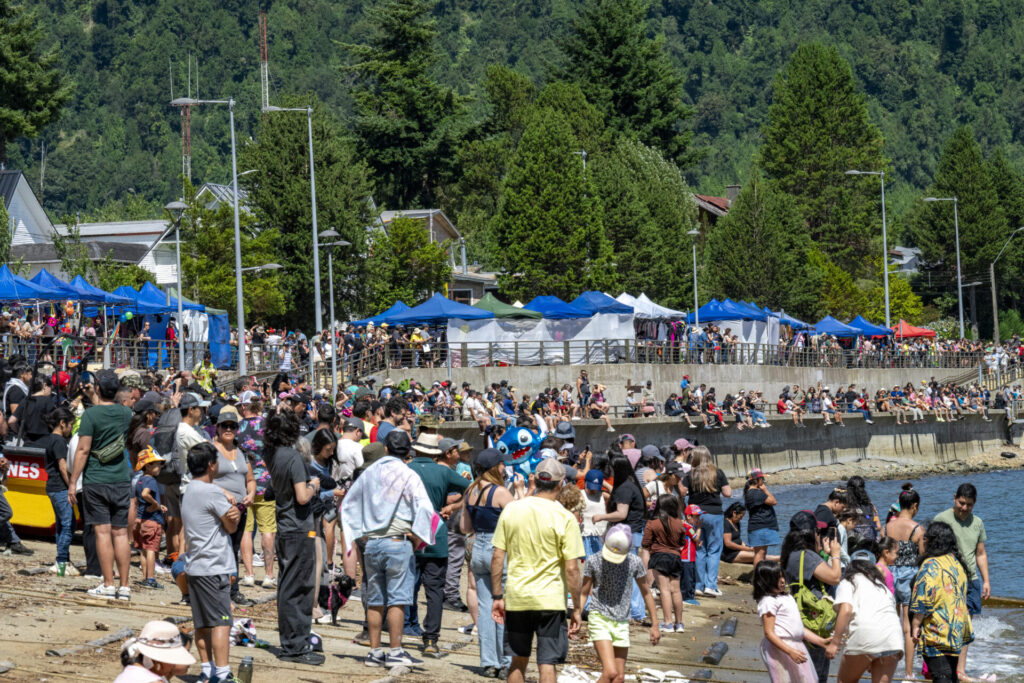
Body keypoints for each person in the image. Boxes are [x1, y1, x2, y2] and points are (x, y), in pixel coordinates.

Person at [341, 425, 439, 669]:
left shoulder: (371, 472)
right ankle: (395, 650)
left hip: (372, 542)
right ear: (408, 451)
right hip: (398, 541)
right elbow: (426, 510)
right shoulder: (408, 474)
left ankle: (374, 652)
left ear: (386, 448)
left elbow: (349, 502)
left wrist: (358, 533)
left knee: (375, 599)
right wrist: (419, 537)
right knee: (397, 599)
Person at [491, 458, 584, 683]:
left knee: (518, 660)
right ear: (560, 484)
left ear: (536, 479)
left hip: (517, 596)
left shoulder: (513, 509)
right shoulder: (565, 517)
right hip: (550, 600)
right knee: (547, 664)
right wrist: (578, 607)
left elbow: (497, 557)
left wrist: (497, 595)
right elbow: (572, 569)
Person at [265, 410, 325, 666]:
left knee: (289, 584)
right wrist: (314, 485)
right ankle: (295, 646)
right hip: (298, 527)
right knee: (298, 587)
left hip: (286, 526)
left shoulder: (272, 454)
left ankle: (295, 641)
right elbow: (302, 496)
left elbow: (271, 490)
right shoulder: (293, 457)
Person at [68, 369, 134, 600]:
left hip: (97, 478)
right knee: (121, 533)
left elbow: (83, 450)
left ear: (97, 389)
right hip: (121, 479)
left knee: (102, 533)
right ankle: (124, 586)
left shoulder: (90, 415)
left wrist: (73, 481)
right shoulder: (127, 413)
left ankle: (107, 584)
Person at [406, 432, 470, 657]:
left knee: (407, 585)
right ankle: (431, 639)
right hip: (435, 533)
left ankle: (404, 626)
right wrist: (454, 506)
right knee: (434, 591)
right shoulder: (444, 471)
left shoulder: (406, 469)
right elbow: (472, 488)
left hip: (408, 531)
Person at [181, 442, 241, 683]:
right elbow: (230, 525)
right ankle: (223, 674)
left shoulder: (190, 489)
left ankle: (207, 671)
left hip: (195, 565)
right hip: (213, 566)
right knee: (222, 622)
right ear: (211, 465)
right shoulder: (211, 492)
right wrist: (234, 517)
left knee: (203, 623)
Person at [581, 524, 660, 683]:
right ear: (604, 542)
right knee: (610, 672)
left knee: (619, 677)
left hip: (622, 620)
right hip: (599, 616)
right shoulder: (594, 560)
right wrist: (577, 613)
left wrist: (655, 624)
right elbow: (584, 591)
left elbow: (646, 592)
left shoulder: (634, 562)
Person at [461, 448, 514, 678]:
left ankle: (488, 661)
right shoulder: (501, 492)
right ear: (495, 468)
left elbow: (465, 527)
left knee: (484, 607)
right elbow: (517, 522)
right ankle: (505, 661)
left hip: (479, 549)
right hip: (498, 549)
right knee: (503, 605)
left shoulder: (470, 490)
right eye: (502, 465)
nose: (504, 468)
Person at [933, 483, 989, 679]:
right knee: (945, 624)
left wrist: (986, 581)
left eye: (969, 505)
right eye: (962, 503)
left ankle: (960, 670)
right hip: (947, 582)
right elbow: (931, 551)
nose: (964, 508)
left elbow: (980, 554)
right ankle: (941, 667)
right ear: (954, 498)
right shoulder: (941, 519)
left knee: (965, 627)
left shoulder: (977, 523)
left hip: (971, 581)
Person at [825, 549, 904, 683]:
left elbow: (846, 610)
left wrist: (834, 643)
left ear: (851, 565)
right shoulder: (882, 586)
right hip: (893, 638)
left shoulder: (849, 582)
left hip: (864, 636)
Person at [910, 521, 975, 683]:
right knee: (951, 675)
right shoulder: (956, 563)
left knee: (942, 676)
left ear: (932, 541)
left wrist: (916, 624)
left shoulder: (930, 565)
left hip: (937, 631)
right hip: (956, 630)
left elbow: (923, 599)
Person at [782, 514, 843, 683]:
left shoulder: (793, 553)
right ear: (809, 533)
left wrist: (824, 553)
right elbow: (834, 577)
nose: (820, 535)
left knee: (807, 673)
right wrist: (836, 555)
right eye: (818, 531)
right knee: (816, 674)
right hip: (815, 620)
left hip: (803, 618)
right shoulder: (806, 555)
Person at [592, 455, 647, 619]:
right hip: (635, 533)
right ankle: (636, 611)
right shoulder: (631, 484)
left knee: (630, 574)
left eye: (612, 469)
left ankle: (636, 611)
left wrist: (601, 517)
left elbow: (621, 514)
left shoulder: (624, 488)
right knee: (632, 572)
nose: (610, 471)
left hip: (627, 535)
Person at [211, 406, 255, 605]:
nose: (229, 429)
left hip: (241, 508)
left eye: (233, 426)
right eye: (225, 426)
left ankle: (233, 589)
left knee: (234, 548)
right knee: (220, 547)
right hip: (220, 508)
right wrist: (225, 493)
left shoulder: (241, 452)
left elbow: (251, 479)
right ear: (217, 428)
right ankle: (217, 589)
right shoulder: (211, 451)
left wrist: (251, 493)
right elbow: (204, 480)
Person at [755, 560, 821, 682]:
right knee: (784, 679)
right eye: (777, 578)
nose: (782, 580)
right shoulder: (768, 601)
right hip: (780, 647)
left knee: (804, 679)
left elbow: (799, 629)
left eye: (782, 576)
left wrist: (822, 641)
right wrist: (790, 651)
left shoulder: (787, 597)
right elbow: (769, 633)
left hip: (796, 645)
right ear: (765, 581)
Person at [885, 483, 926, 679]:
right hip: (910, 576)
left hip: (890, 574)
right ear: (915, 506)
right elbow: (924, 557)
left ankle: (888, 669)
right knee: (910, 626)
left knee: (892, 623)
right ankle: (909, 673)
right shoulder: (918, 529)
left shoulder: (887, 527)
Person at [680, 446, 732, 597]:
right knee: (714, 550)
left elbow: (683, 492)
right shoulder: (718, 472)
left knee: (699, 549)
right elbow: (728, 493)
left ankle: (698, 585)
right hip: (715, 513)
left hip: (696, 514)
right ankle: (711, 585)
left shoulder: (690, 474)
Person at [237, 397, 275, 589]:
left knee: (246, 529)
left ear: (243, 407)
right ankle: (269, 575)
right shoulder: (268, 426)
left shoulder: (236, 428)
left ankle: (249, 574)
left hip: (244, 483)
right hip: (267, 482)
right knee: (268, 529)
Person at [37, 406, 75, 575]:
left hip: (52, 487)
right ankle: (61, 561)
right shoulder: (59, 441)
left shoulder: (51, 439)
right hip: (60, 487)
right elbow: (62, 466)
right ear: (62, 423)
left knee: (62, 525)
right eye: (70, 425)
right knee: (68, 525)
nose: (71, 429)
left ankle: (64, 560)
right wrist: (71, 486)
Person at [642, 494, 687, 632]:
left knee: (664, 590)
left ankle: (667, 622)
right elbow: (682, 542)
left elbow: (645, 543)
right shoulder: (679, 523)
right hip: (675, 558)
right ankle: (679, 623)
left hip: (659, 557)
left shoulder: (653, 523)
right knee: (676, 590)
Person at [114, 620, 196, 683]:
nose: (172, 665)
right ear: (160, 659)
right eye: (172, 659)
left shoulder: (129, 672)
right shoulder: (154, 681)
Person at [134, 447, 167, 589]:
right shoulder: (151, 481)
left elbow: (138, 500)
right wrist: (155, 504)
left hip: (140, 521)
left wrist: (159, 505)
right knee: (152, 550)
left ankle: (145, 577)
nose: (160, 466)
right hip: (152, 521)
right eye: (157, 463)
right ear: (148, 465)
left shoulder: (139, 481)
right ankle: (151, 579)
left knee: (143, 550)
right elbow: (145, 495)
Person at [743, 468, 779, 568]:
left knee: (761, 553)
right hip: (761, 527)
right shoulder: (756, 493)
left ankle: (759, 576)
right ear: (757, 480)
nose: (763, 481)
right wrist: (765, 490)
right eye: (762, 479)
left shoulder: (749, 493)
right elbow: (773, 501)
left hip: (758, 526)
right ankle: (757, 577)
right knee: (760, 554)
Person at [846, 476, 882, 542]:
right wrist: (876, 515)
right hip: (871, 542)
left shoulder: (847, 506)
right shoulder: (870, 506)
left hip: (854, 542)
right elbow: (878, 526)